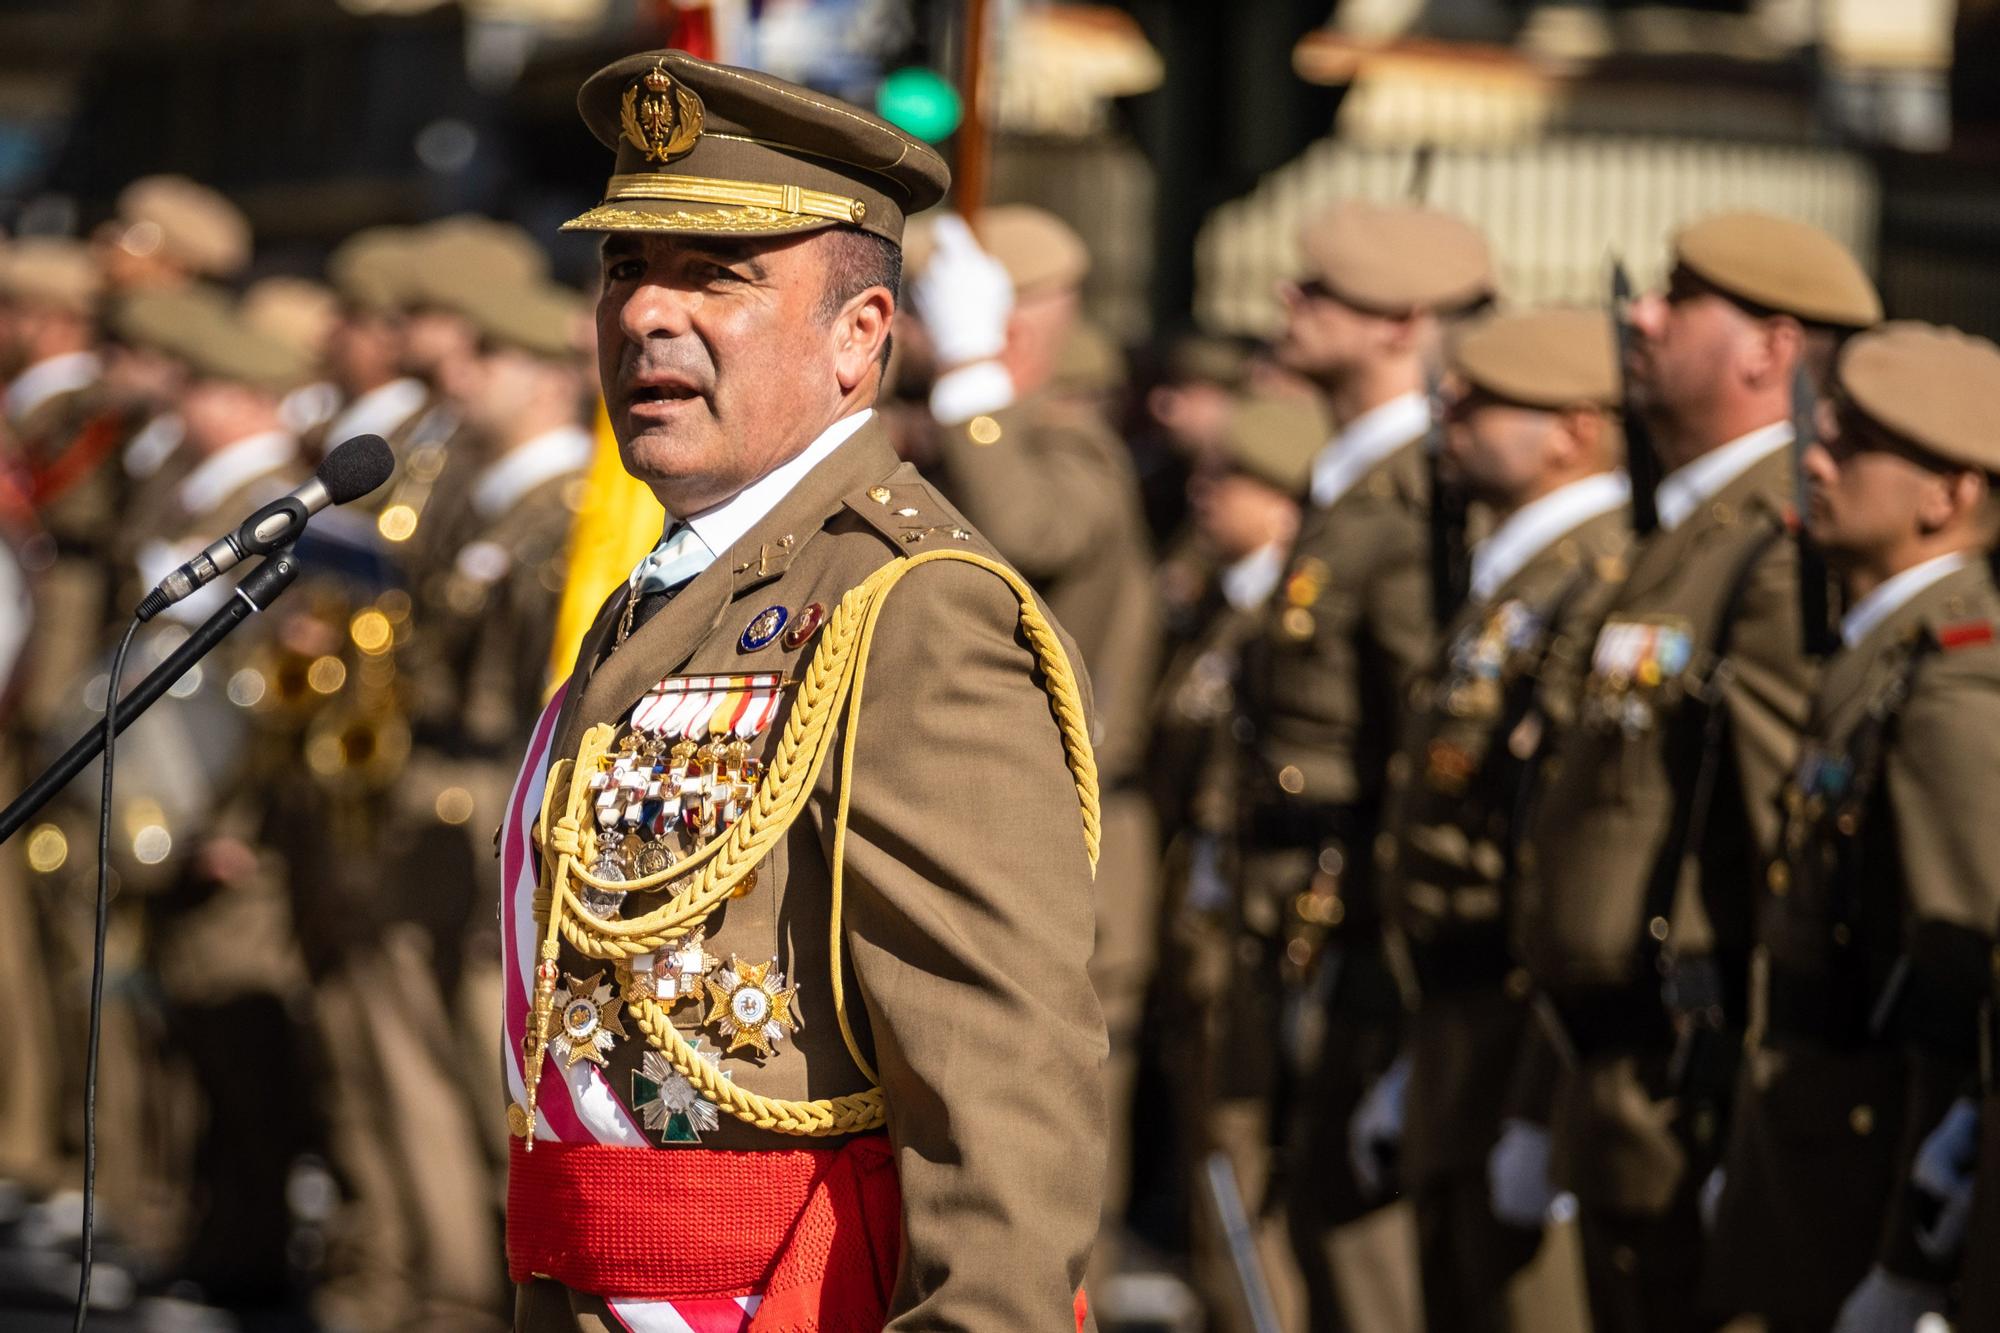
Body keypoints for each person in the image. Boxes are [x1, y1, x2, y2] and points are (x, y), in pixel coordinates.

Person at [503, 50, 1104, 1331]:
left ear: (857, 338)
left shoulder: (913, 606)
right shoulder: (672, 583)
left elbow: (1000, 1080)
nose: (647, 317)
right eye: (624, 271)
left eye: (716, 277)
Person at [1512, 211, 1880, 1333]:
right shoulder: (1687, 532)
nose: (1639, 312)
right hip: (1622, 1090)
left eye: (1677, 295)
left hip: (1697, 1102)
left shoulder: (1774, 551)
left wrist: (1765, 1134)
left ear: (1767, 349)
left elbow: (1793, 848)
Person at [1701, 322, 2000, 1331]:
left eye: (1852, 446)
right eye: (1817, 433)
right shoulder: (1879, 656)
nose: (1811, 460)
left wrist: (1913, 1256)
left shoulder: (1953, 679)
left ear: (1946, 494)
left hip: (1860, 1182)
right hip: (1801, 1156)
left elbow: (1958, 989)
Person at [1241, 197, 1493, 1333]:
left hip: (1354, 933)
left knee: (1361, 1261)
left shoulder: (1409, 506)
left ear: (1399, 325)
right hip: (1291, 914)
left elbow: (1420, 750)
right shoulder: (1348, 482)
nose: (1289, 304)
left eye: (1323, 293)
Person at [905, 202, 1162, 1276]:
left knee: (1037, 1204)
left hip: (1065, 851)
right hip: (962, 847)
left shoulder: (1060, 445)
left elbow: (1032, 529)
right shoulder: (937, 437)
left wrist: (971, 368)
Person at [1377, 307, 1631, 1333]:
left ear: (1571, 430)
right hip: (1456, 1016)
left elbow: (1567, 855)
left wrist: (1535, 1094)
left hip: (1522, 1025)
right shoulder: (1517, 573)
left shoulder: (1594, 576)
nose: (1448, 413)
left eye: (1482, 399)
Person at [1151, 389, 1322, 1333]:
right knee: (1215, 1176)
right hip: (1203, 935)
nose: (1206, 493)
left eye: (1234, 477)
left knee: (1242, 1182)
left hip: (1257, 947)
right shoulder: (1223, 612)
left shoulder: (1282, 627)